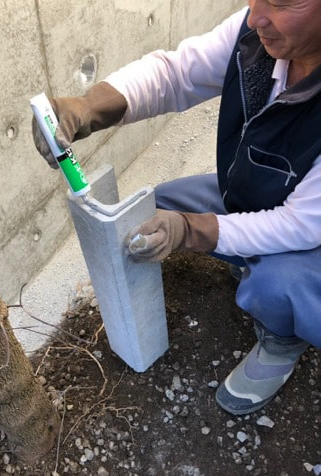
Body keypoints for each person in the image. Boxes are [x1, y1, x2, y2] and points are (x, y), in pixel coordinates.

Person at [32, 0, 321, 415]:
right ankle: (247, 257)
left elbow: (300, 225)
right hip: (257, 196)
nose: (256, 16)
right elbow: (177, 73)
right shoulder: (254, 37)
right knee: (154, 208)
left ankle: (283, 337)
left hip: (311, 235)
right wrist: (88, 107)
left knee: (276, 283)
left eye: (281, 2)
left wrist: (191, 230)